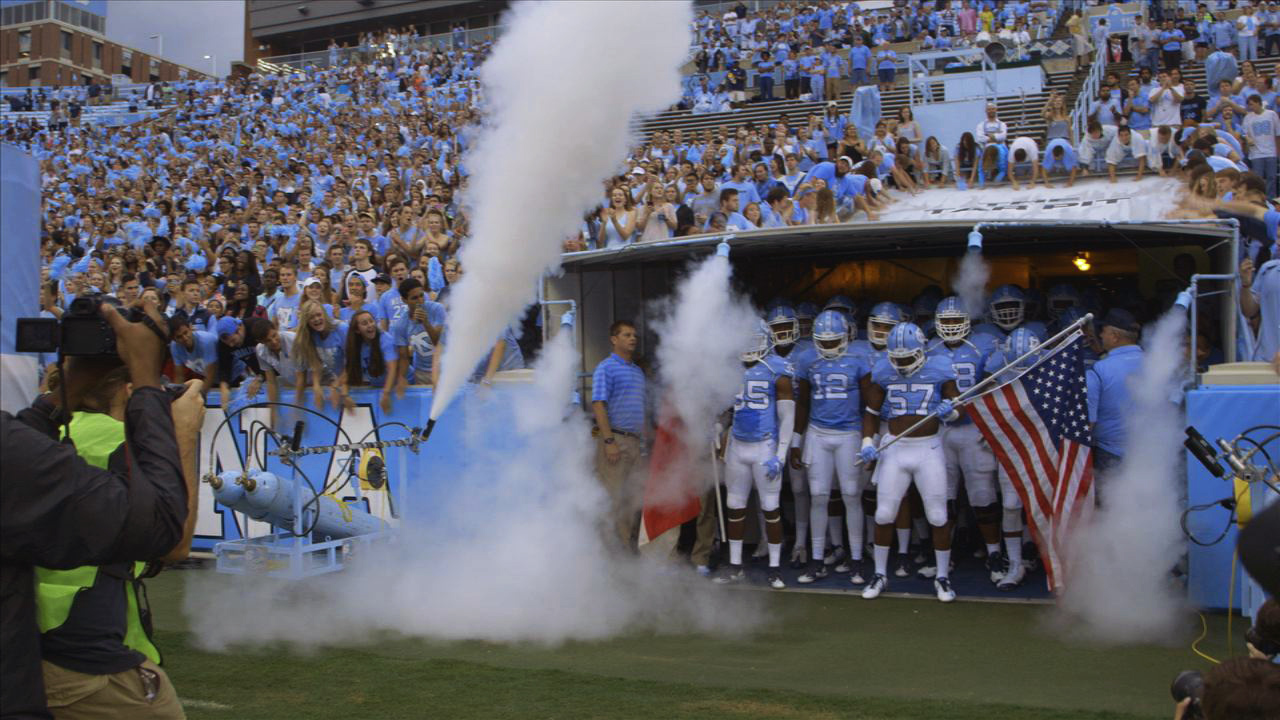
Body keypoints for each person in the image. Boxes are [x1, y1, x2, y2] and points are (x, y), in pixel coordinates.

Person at [2, 302, 203, 718]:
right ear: (124, 387)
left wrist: (66, 393)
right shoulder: (116, 442)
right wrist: (177, 425)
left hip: (44, 633)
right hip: (83, 652)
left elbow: (18, 455)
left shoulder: (34, 441)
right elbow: (171, 538)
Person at [859, 322, 960, 603]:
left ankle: (942, 576)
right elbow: (870, 413)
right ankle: (880, 573)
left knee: (937, 515)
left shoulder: (940, 367)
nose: (901, 364)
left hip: (928, 447)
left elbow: (959, 409)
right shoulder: (882, 370)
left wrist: (949, 412)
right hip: (896, 447)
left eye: (906, 357)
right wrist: (868, 442)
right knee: (884, 514)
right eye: (897, 358)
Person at [713, 320, 794, 589]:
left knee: (771, 508)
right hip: (738, 445)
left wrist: (780, 455)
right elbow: (729, 409)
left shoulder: (777, 369)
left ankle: (775, 567)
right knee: (734, 506)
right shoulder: (732, 371)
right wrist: (718, 426)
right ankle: (735, 565)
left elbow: (788, 417)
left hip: (765, 446)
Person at [795, 310, 870, 585]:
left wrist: (868, 438)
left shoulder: (859, 360)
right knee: (818, 496)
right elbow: (802, 402)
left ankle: (857, 559)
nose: (826, 347)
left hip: (849, 432)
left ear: (846, 337)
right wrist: (795, 441)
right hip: (817, 433)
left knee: (851, 495)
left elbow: (870, 404)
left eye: (832, 341)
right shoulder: (807, 359)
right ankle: (816, 560)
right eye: (822, 342)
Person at [591, 320, 648, 552]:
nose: (632, 338)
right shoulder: (605, 367)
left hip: (635, 443)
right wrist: (609, 441)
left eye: (634, 335)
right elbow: (598, 405)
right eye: (626, 335)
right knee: (612, 500)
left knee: (632, 501)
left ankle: (626, 550)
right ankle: (607, 555)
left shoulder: (637, 372)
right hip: (615, 441)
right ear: (614, 339)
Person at [1085, 309, 1144, 482]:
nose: (1100, 336)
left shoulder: (1098, 370)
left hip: (1111, 456)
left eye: (1102, 331)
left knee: (1112, 507)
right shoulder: (1158, 363)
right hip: (1152, 454)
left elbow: (1089, 422)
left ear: (1114, 335)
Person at [391, 278, 447, 391]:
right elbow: (404, 356)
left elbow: (438, 342)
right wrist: (402, 377)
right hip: (422, 373)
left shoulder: (437, 309)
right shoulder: (400, 325)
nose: (420, 300)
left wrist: (426, 322)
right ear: (404, 300)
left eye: (421, 295)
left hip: (445, 368)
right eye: (414, 298)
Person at [343, 309, 397, 413]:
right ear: (357, 330)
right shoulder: (355, 346)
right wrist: (345, 394)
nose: (370, 325)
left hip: (398, 386)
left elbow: (392, 369)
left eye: (371, 321)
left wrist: (386, 393)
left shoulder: (385, 339)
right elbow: (348, 371)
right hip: (379, 387)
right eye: (364, 323)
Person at [1241, 94, 1279, 198]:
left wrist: (1277, 151)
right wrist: (1247, 138)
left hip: (1271, 151)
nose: (1250, 107)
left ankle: (1271, 198)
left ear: (1258, 103)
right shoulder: (1248, 118)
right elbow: (1244, 133)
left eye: (1252, 104)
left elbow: (1277, 134)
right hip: (1256, 153)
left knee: (1272, 177)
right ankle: (1260, 198)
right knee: (1258, 178)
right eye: (1249, 105)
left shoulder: (1271, 114)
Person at [168, 315, 218, 384]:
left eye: (186, 332)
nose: (185, 338)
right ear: (174, 339)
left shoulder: (207, 340)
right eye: (179, 337)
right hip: (210, 379)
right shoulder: (174, 347)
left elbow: (210, 374)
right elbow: (180, 376)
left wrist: (202, 394)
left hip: (228, 376)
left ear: (191, 328)